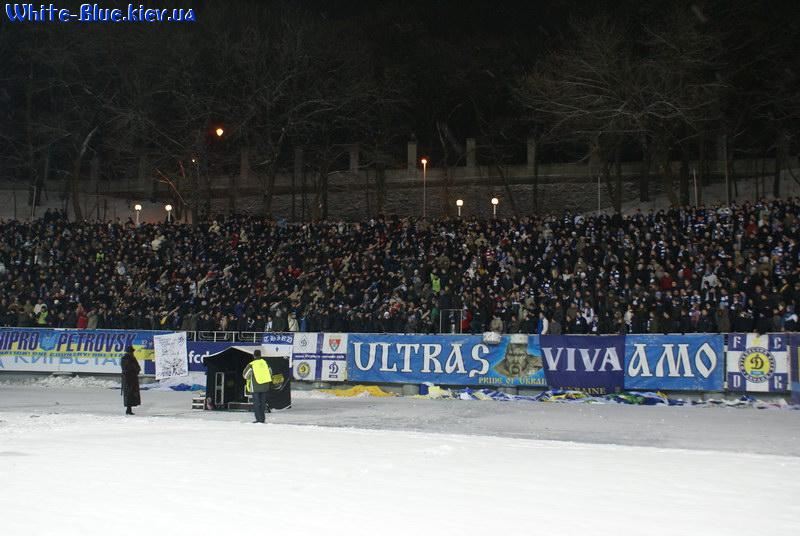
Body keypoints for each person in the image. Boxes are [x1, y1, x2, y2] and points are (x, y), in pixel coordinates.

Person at [243, 350, 272, 423]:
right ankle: (262, 419)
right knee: (262, 403)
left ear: (254, 355)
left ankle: (258, 420)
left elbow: (245, 375)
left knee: (256, 403)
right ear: (260, 355)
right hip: (265, 386)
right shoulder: (265, 363)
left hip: (255, 387)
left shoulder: (252, 364)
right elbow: (270, 372)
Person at [120, 346, 141, 415]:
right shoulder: (129, 358)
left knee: (129, 394)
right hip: (130, 379)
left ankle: (129, 409)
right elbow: (135, 367)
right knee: (130, 394)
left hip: (129, 378)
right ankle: (128, 410)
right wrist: (136, 370)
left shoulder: (126, 358)